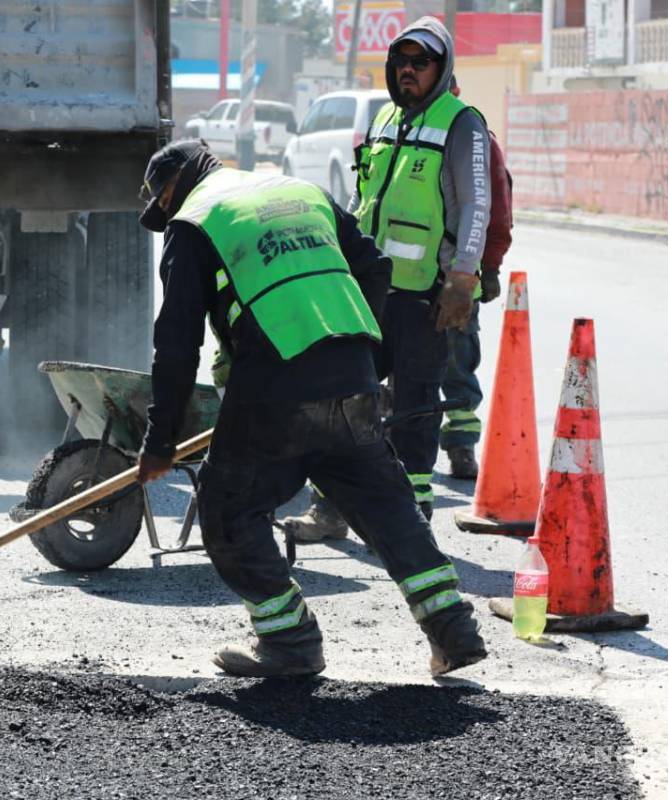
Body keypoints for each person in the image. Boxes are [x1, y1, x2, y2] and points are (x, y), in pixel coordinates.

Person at [134, 138, 487, 678]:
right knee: (387, 507)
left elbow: (176, 344)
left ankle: (290, 643)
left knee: (229, 513)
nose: (166, 216)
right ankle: (453, 630)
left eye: (162, 207)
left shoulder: (194, 220)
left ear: (172, 189)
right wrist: (364, 354)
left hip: (274, 385)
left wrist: (160, 442)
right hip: (351, 375)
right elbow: (374, 267)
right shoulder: (302, 191)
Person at [281, 17, 490, 541]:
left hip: (425, 296)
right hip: (367, 290)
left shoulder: (461, 123)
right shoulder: (383, 121)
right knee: (342, 394)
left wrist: (463, 277)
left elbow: (476, 206)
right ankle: (329, 509)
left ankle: (410, 519)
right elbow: (361, 201)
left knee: (415, 406)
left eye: (421, 62)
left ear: (441, 70)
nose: (408, 71)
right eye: (401, 61)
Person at [439, 76, 514, 480]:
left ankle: (461, 447)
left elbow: (493, 207)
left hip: (455, 273)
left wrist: (488, 267)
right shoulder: (402, 130)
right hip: (408, 275)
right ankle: (403, 450)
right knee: (417, 366)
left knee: (455, 361)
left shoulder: (475, 138)